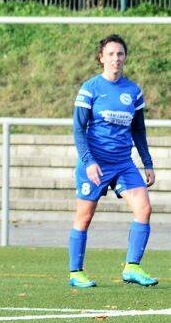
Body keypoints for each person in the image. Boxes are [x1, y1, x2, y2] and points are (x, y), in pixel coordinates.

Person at [68, 34, 158, 288]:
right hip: (95, 163)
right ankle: (76, 272)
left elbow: (138, 130)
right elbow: (78, 129)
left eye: (120, 54)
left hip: (123, 164)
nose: (116, 59)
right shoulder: (90, 88)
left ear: (125, 57)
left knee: (144, 208)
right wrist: (89, 162)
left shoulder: (133, 91)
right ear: (101, 58)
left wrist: (147, 163)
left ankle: (132, 267)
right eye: (110, 54)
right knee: (84, 217)